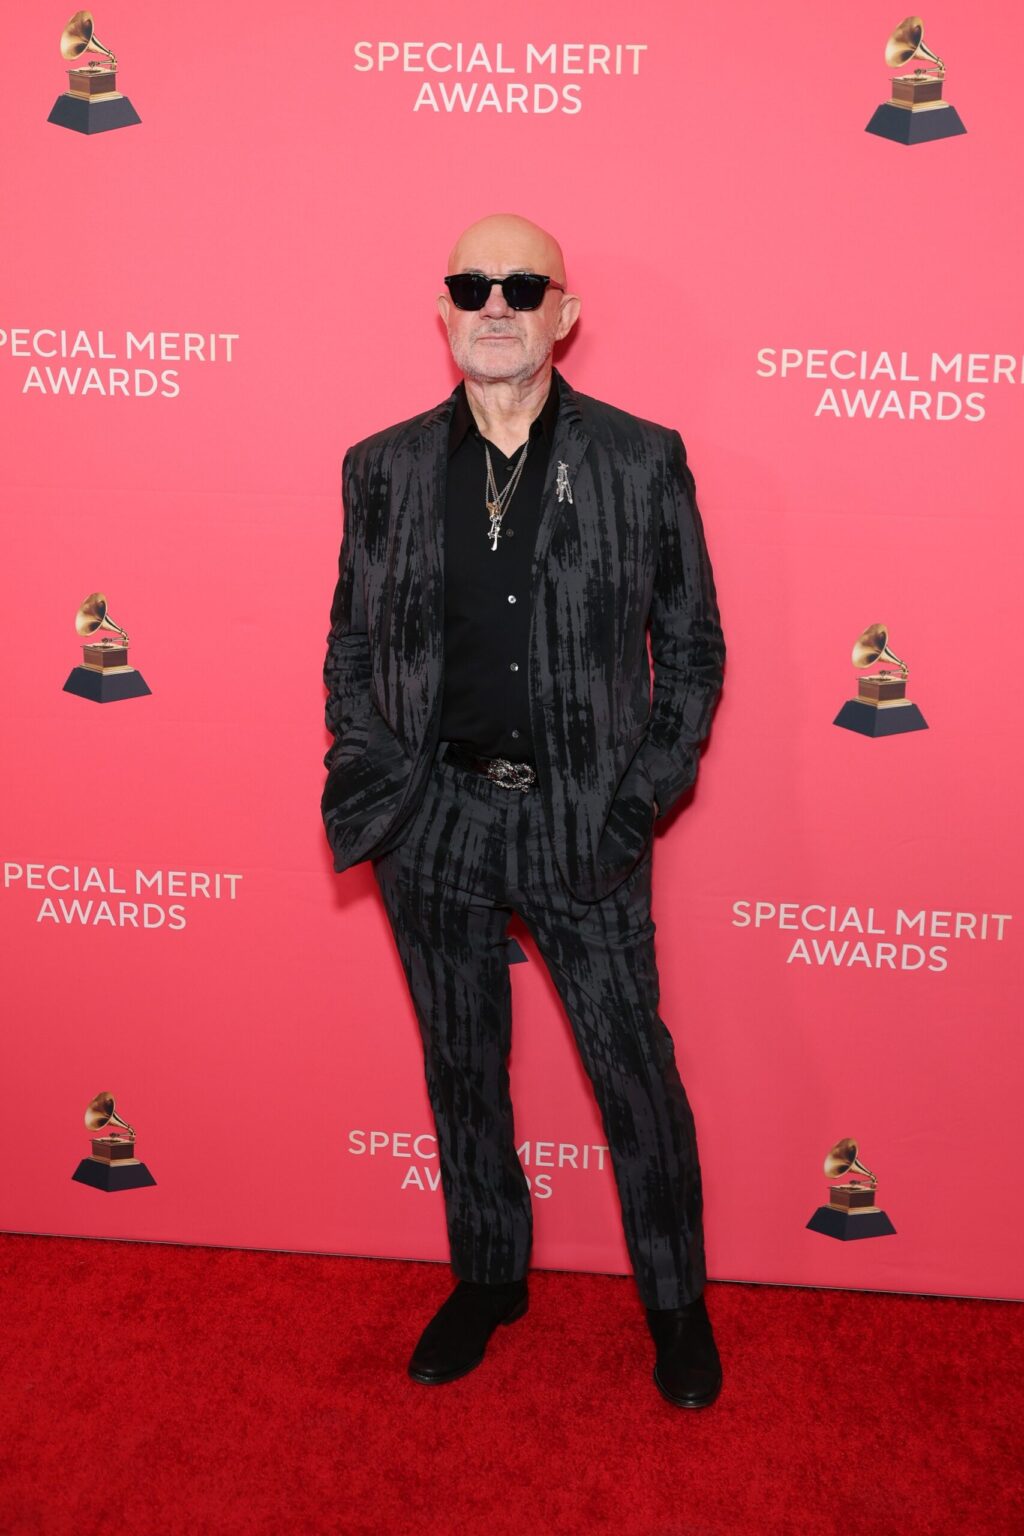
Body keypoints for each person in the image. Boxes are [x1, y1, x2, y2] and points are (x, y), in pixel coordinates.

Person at [322, 213, 726, 1408]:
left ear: (564, 314)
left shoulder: (641, 459)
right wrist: (367, 767)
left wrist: (638, 798)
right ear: (442, 311)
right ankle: (489, 1278)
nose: (492, 302)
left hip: (581, 825)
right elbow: (350, 636)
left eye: (520, 284)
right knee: (460, 1065)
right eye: (470, 284)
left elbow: (694, 650)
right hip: (427, 821)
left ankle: (674, 1303)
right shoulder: (381, 465)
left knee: (632, 1075)